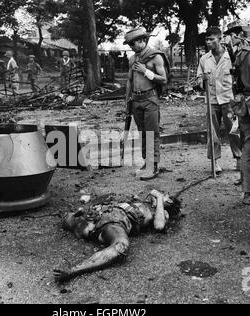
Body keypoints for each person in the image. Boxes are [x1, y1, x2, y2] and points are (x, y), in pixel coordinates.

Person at [53, 190, 181, 282]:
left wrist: (159, 198)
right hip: (100, 214)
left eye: (165, 195)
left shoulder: (161, 212)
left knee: (121, 246)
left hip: (115, 223)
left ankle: (73, 270)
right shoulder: (145, 202)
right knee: (66, 218)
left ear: (168, 201)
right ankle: (79, 222)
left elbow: (159, 225)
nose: (162, 193)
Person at [197, 26, 242, 175]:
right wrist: (202, 80)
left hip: (229, 100)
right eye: (207, 39)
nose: (208, 42)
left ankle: (238, 158)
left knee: (233, 130)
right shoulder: (204, 59)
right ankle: (214, 161)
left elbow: (239, 77)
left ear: (220, 39)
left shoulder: (231, 56)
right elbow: (199, 80)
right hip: (212, 101)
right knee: (213, 132)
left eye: (212, 39)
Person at [125, 27, 168, 181]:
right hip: (136, 100)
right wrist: (127, 100)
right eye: (129, 44)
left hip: (150, 99)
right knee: (143, 133)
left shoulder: (155, 57)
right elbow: (129, 81)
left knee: (152, 133)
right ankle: (147, 162)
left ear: (143, 40)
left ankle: (154, 165)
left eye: (134, 43)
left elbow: (164, 79)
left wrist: (145, 71)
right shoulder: (132, 59)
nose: (132, 46)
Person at [224, 22, 250, 205]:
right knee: (247, 146)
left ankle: (247, 190)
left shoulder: (242, 53)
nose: (229, 39)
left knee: (247, 145)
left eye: (231, 35)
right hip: (244, 102)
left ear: (240, 34)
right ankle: (247, 190)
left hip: (244, 102)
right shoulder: (243, 53)